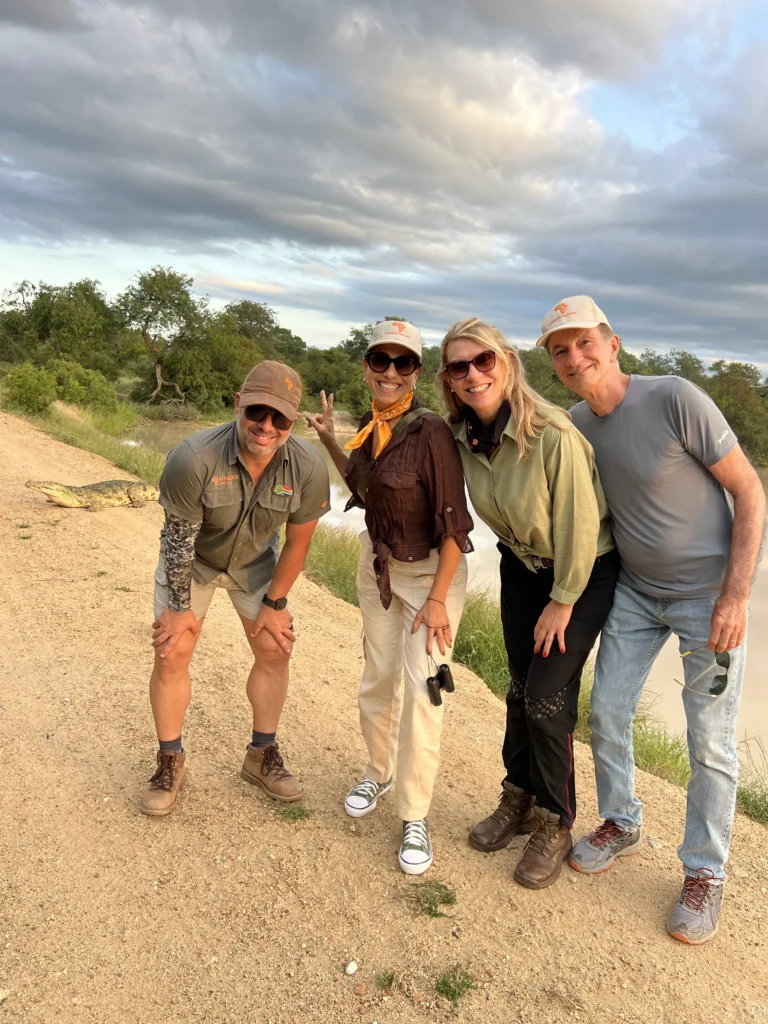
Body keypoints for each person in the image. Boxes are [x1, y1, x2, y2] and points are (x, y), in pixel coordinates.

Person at [541, 295, 766, 944]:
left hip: (708, 596)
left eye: (585, 342)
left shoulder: (675, 399)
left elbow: (750, 491)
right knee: (607, 710)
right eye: (561, 349)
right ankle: (622, 821)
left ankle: (705, 871)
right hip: (638, 595)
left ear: (613, 344)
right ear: (553, 363)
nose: (575, 356)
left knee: (710, 742)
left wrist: (735, 596)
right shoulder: (578, 424)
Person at [439, 318, 618, 889]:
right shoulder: (459, 437)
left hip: (581, 572)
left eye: (483, 361)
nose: (472, 374)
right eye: (458, 366)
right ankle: (517, 795)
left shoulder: (552, 435)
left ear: (507, 363)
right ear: (448, 379)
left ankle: (555, 818)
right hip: (521, 566)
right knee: (518, 685)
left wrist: (563, 601)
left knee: (545, 696)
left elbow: (581, 526)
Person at [307, 320, 473, 874]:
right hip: (377, 566)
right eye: (382, 361)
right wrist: (331, 437)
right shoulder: (372, 427)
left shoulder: (431, 434)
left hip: (431, 578)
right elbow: (360, 487)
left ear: (417, 373)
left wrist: (439, 600)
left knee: (425, 690)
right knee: (376, 679)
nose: (391, 373)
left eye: (404, 364)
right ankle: (378, 772)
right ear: (367, 367)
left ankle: (415, 814)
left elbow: (455, 529)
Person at [140, 361, 331, 816]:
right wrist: (179, 609)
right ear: (238, 405)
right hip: (194, 563)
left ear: (292, 420)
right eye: (257, 413)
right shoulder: (193, 457)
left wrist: (275, 604)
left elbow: (297, 544)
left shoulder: (307, 468)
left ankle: (261, 756)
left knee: (274, 647)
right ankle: (170, 760)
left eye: (279, 418)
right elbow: (179, 541)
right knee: (172, 650)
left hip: (255, 564)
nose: (266, 427)